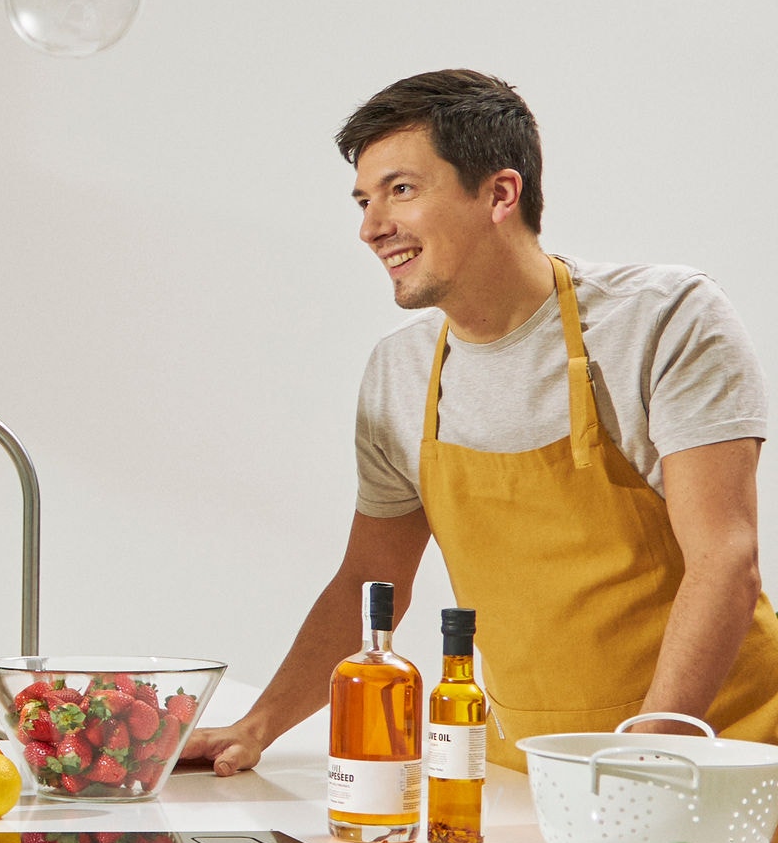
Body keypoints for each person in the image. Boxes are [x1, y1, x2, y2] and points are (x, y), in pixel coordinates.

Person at [186, 68, 778, 775]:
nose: (372, 228)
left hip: (719, 759)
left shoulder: (663, 319)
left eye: (401, 190)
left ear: (500, 193)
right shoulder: (400, 373)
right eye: (364, 200)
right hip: (528, 771)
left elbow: (725, 560)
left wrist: (643, 757)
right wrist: (256, 727)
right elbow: (370, 579)